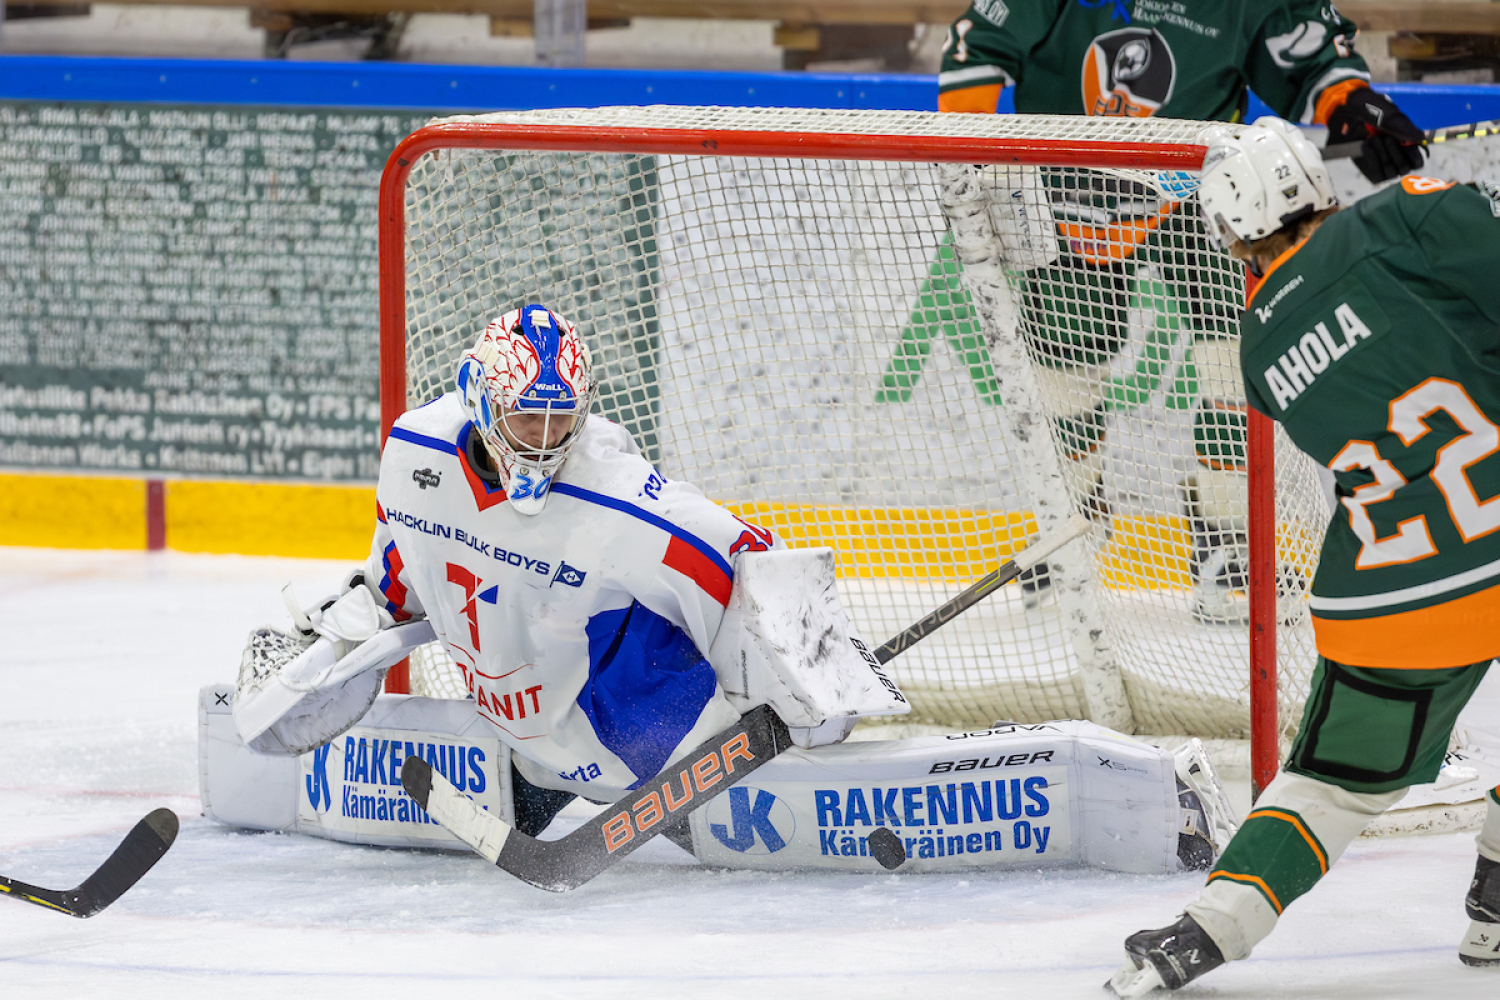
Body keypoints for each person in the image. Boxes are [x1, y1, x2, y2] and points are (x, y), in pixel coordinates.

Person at [202, 303, 1239, 878]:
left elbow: (747, 559)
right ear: (481, 402)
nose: (546, 441)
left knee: (747, 746)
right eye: (527, 420)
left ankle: (1128, 791)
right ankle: (550, 772)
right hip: (517, 715)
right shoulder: (415, 452)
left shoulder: (617, 498)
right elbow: (404, 564)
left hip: (635, 724)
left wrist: (815, 686)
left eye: (563, 420)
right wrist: (335, 642)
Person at [1106, 118, 1500, 995]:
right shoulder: (1411, 213)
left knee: (1330, 781)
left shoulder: (1258, 349)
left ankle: (1207, 930)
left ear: (1234, 231)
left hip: (1392, 595)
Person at [931, 0, 1427, 624]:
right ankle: (1072, 526)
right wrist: (969, 146)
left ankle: (1226, 545)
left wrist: (1350, 103)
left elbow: (1298, 44)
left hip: (1201, 188)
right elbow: (979, 45)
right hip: (1065, 186)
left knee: (1236, 359)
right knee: (1064, 375)